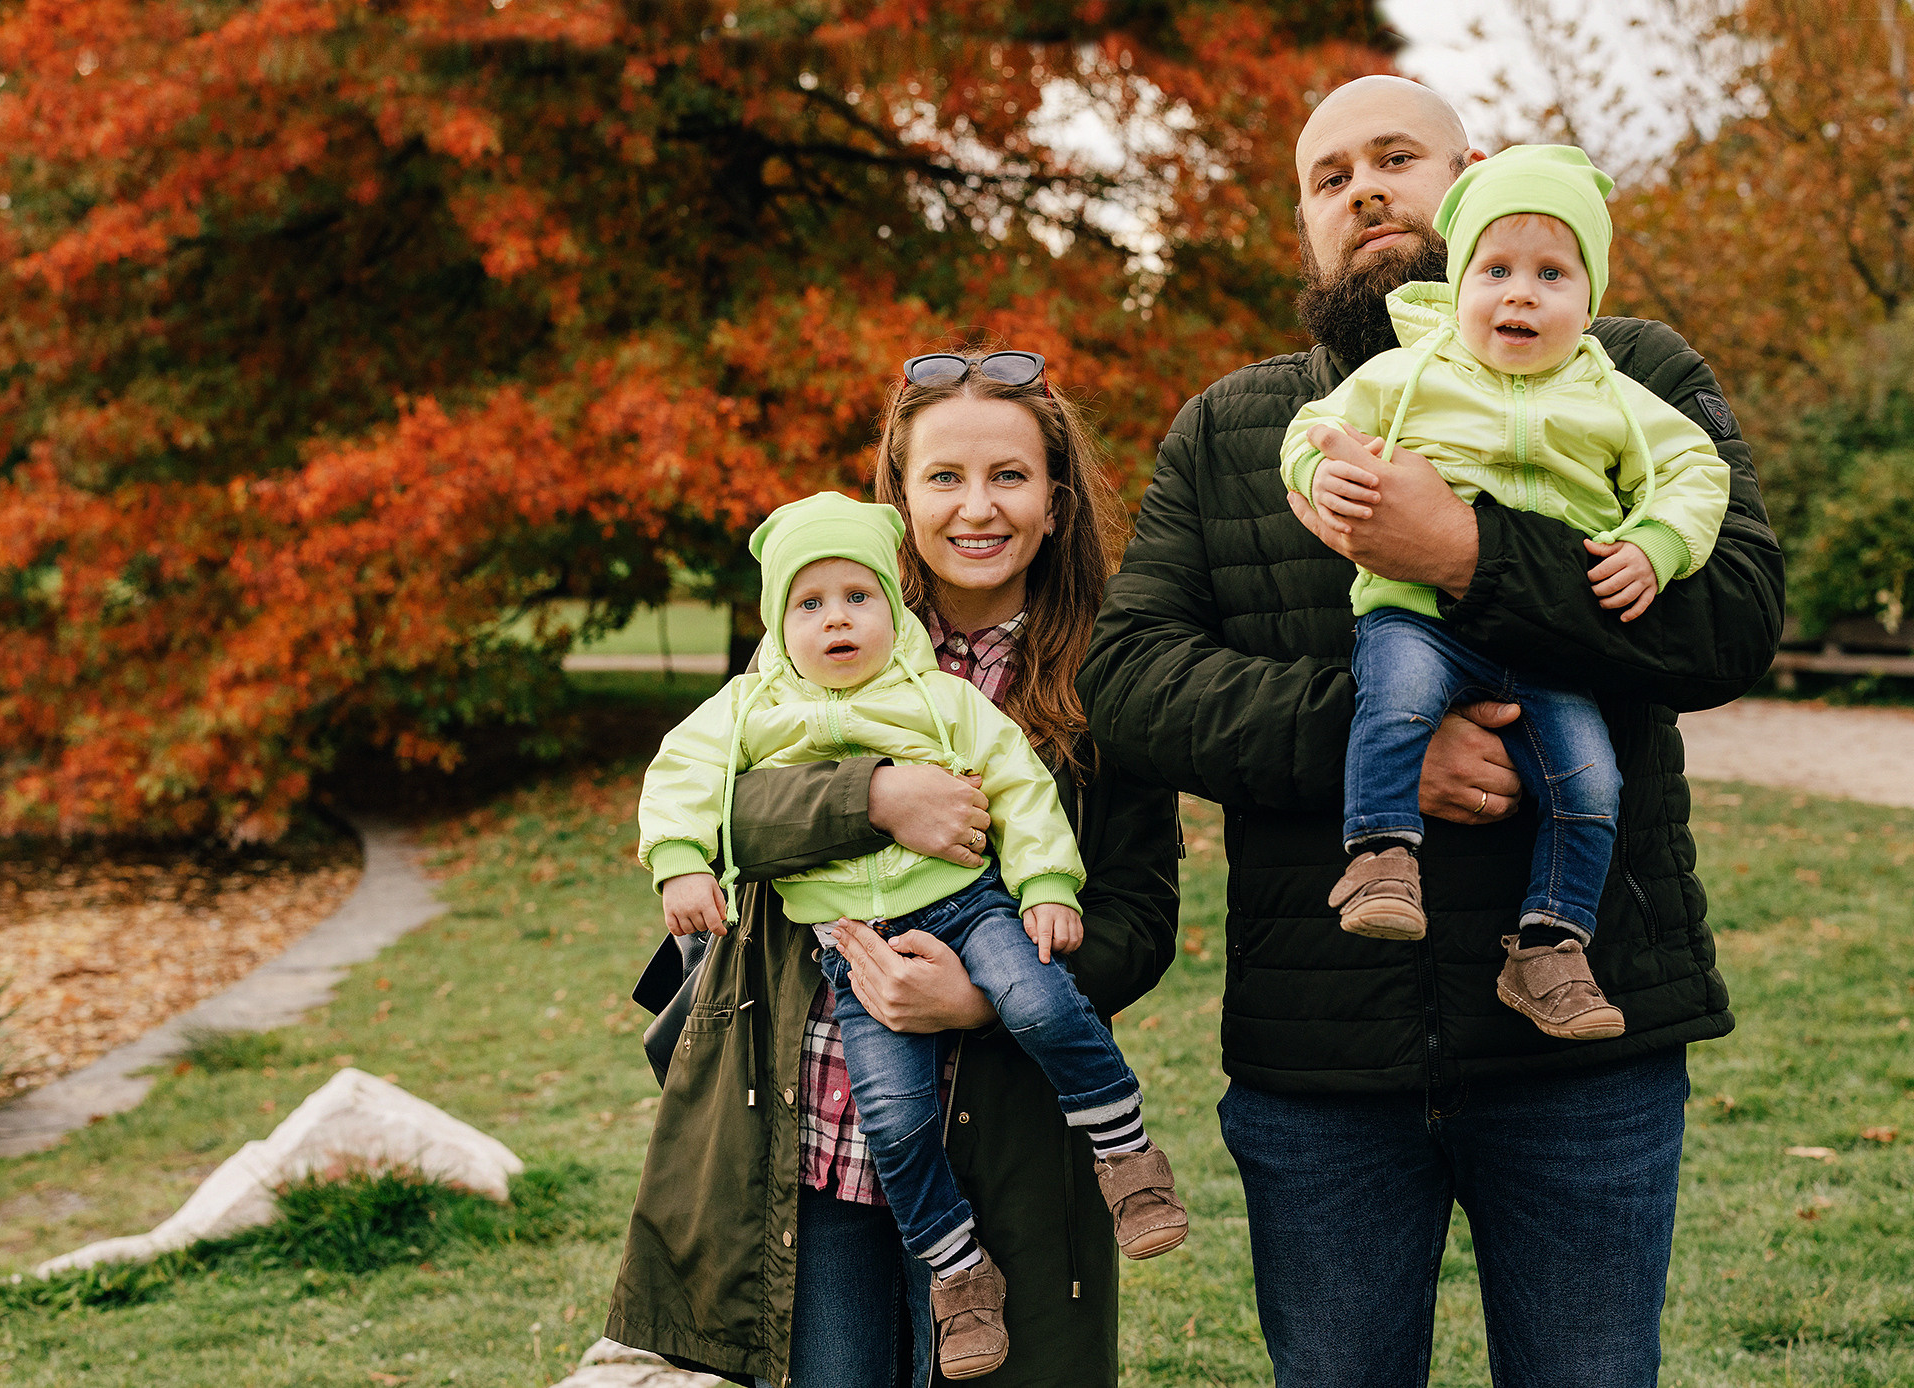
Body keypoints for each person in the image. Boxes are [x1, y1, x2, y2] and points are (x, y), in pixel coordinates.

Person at [1078, 75, 1783, 1387]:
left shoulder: (1633, 373)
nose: (1365, 194)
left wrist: (1464, 551)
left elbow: (1736, 615)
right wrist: (1376, 734)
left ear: (1468, 176)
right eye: (1329, 177)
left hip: (1589, 1049)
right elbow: (1129, 677)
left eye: (1395, 158)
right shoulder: (1237, 432)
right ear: (1303, 222)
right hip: (1322, 1061)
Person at [607, 349, 1180, 1388]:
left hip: (1005, 1129)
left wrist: (977, 999)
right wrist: (871, 795)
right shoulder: (822, 634)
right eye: (943, 477)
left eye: (1007, 476)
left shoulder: (1111, 675)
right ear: (900, 497)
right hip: (820, 1125)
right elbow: (722, 801)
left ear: (1053, 501)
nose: (977, 507)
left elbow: (1138, 919)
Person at [1279, 144, 1731, 1041]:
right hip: (1419, 614)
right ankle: (1378, 855)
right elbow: (1317, 427)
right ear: (1461, 280)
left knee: (1589, 782)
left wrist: (1655, 542)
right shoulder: (1415, 369)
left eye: (1552, 273)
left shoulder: (1614, 391)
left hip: (1548, 642)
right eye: (1496, 270)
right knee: (1398, 698)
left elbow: (1693, 468)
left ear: (1589, 300)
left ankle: (1551, 946)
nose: (1520, 293)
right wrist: (1315, 471)